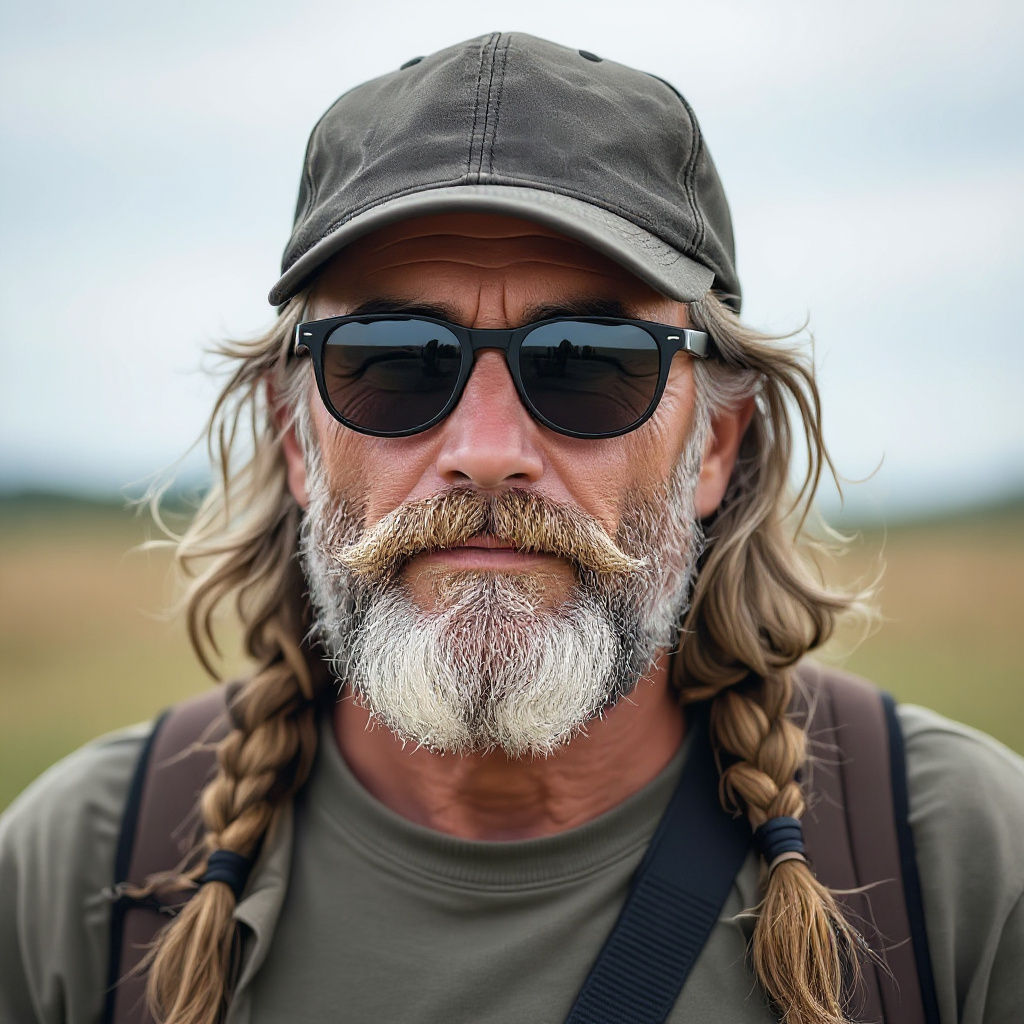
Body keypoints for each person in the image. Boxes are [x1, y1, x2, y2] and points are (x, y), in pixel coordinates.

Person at [1, 31, 1022, 1024]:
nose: (487, 449)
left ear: (713, 444)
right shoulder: (80, 872)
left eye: (588, 358)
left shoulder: (957, 859)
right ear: (298, 442)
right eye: (393, 355)